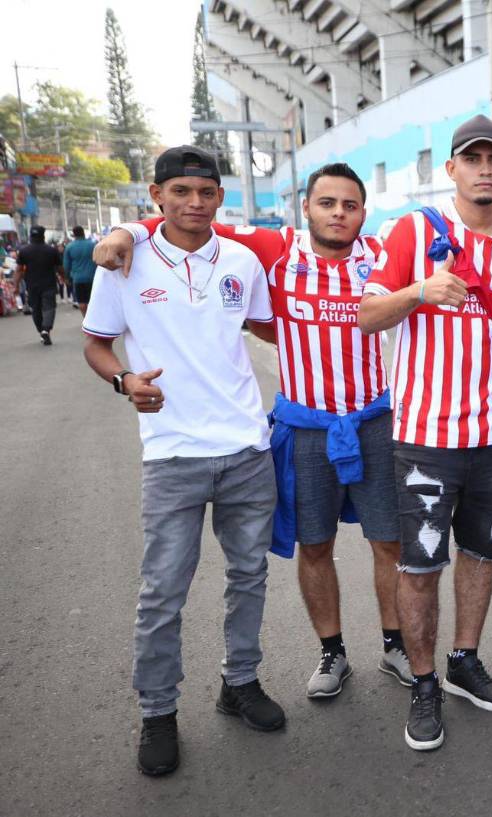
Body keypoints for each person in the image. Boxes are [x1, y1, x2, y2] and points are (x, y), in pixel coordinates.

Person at [92, 163, 417, 700]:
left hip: (374, 422)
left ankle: (395, 645)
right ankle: (332, 653)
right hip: (305, 427)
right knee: (315, 545)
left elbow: (450, 242)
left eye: (350, 205)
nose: (338, 214)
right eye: (327, 203)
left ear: (364, 212)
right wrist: (126, 230)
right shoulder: (275, 247)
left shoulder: (383, 255)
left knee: (389, 542)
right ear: (306, 208)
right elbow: (190, 218)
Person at [81, 146, 285, 777]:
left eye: (206, 192)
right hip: (172, 455)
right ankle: (158, 711)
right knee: (163, 591)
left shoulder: (242, 261)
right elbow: (96, 343)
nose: (195, 203)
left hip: (246, 449)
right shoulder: (125, 261)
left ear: (219, 196)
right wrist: (125, 382)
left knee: (249, 576)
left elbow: (266, 328)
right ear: (157, 195)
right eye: (181, 191)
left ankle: (239, 682)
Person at [359, 114, 492, 752]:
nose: (483, 169)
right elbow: (367, 315)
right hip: (426, 437)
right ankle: (424, 681)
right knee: (421, 563)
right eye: (471, 159)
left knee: (482, 555)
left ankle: (464, 662)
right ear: (451, 169)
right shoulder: (415, 230)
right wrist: (419, 291)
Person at [13, 225, 63, 344]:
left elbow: (19, 270)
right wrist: (65, 278)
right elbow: (59, 268)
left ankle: (41, 330)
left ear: (30, 236)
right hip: (49, 284)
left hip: (32, 286)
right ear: (43, 236)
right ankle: (46, 329)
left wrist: (16, 286)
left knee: (36, 309)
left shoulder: (24, 251)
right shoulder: (51, 250)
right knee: (49, 308)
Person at [63, 226, 98, 316]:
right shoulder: (93, 245)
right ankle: (94, 318)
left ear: (74, 235)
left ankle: (86, 318)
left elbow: (66, 265)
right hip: (92, 277)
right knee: (93, 300)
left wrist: (66, 277)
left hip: (77, 278)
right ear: (83, 233)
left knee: (81, 302)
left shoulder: (69, 247)